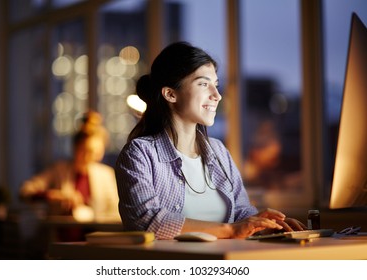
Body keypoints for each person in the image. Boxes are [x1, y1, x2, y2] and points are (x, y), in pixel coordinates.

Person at [115, 42, 306, 240]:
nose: (217, 95)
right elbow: (147, 222)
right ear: (170, 94)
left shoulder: (218, 150)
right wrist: (230, 230)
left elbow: (240, 212)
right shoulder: (139, 153)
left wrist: (264, 225)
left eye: (216, 85)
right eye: (204, 84)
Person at [20, 110, 120, 223]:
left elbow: (115, 213)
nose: (88, 157)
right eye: (84, 151)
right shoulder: (59, 170)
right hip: (62, 234)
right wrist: (52, 196)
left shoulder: (105, 175)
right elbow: (26, 191)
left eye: (94, 153)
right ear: (75, 148)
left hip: (95, 236)